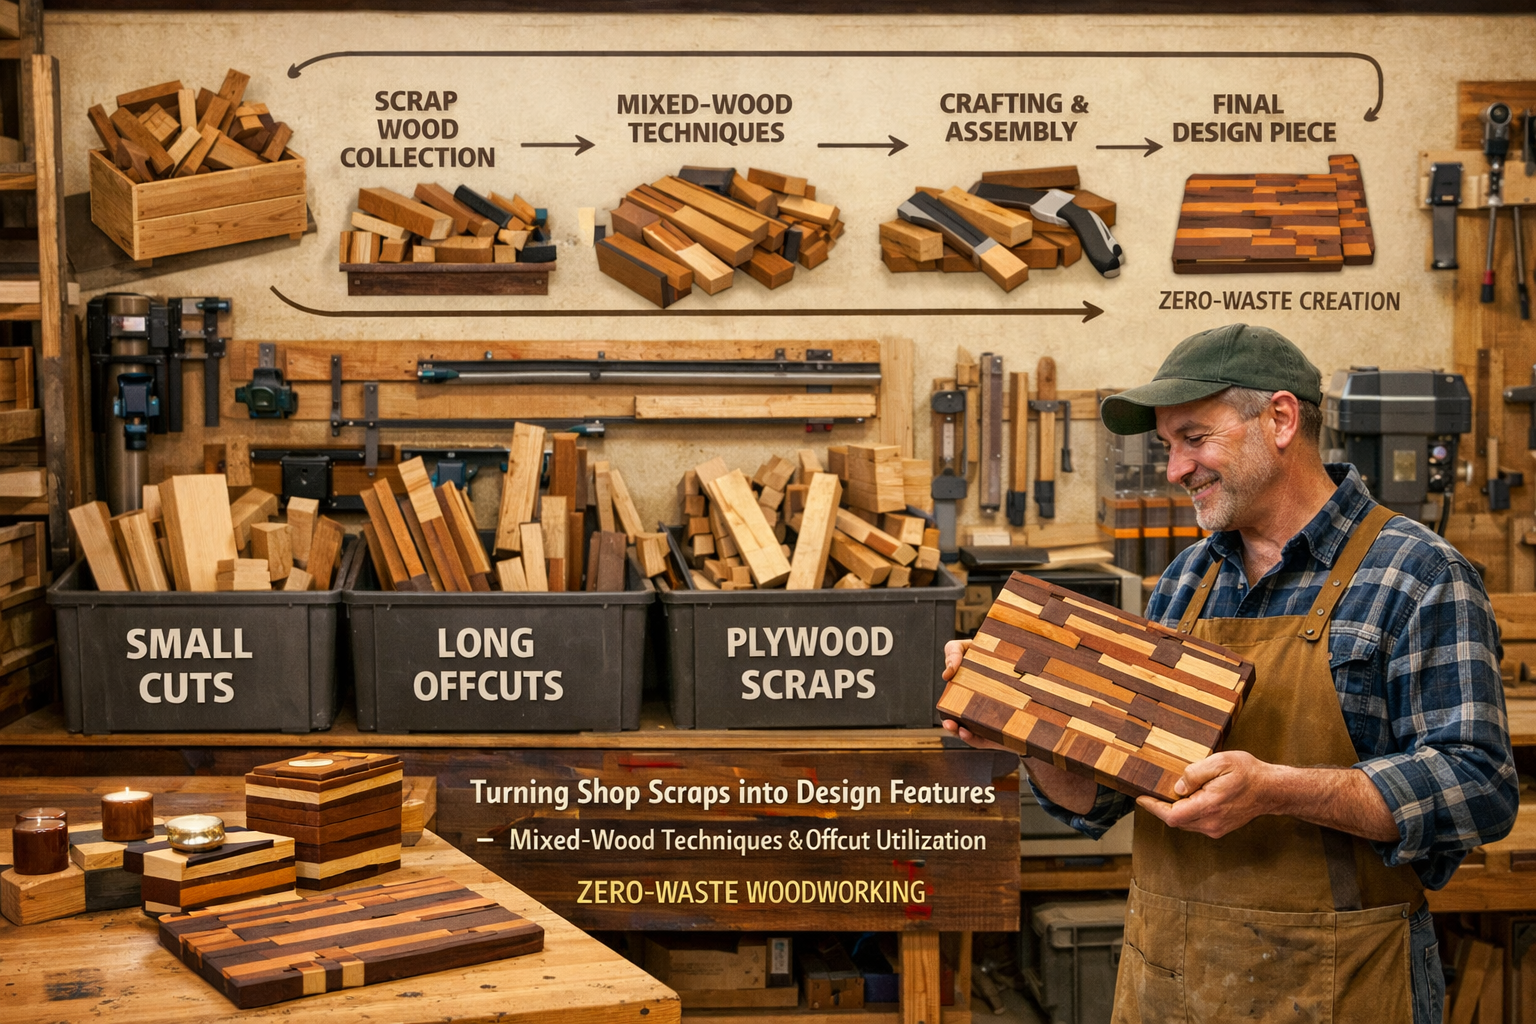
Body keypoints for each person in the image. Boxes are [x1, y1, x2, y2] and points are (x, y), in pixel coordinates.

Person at [941, 324, 1517, 1024]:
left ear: (1279, 419)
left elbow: (1479, 786)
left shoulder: (1417, 574)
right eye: (1167, 447)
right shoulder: (1188, 580)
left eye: (1194, 437)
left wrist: (1277, 790)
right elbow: (1101, 801)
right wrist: (1021, 721)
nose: (1176, 469)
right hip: (1175, 982)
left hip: (1339, 983)